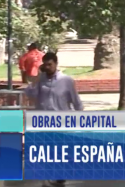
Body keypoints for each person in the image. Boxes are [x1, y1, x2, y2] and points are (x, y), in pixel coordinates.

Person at [25, 52, 83, 187]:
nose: (48, 67)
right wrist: (37, 78)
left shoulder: (66, 80)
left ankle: (60, 176)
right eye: (45, 65)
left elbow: (76, 101)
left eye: (50, 64)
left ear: (56, 64)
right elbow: (30, 94)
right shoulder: (41, 79)